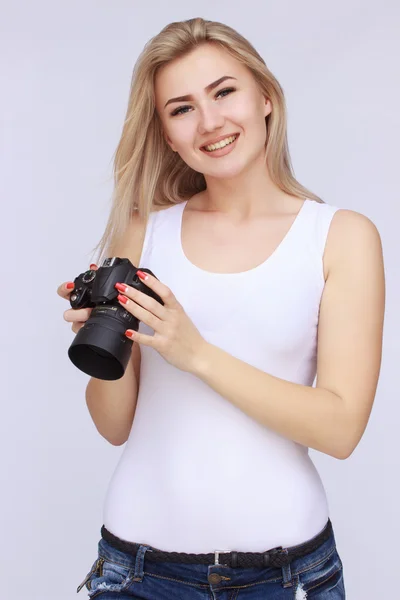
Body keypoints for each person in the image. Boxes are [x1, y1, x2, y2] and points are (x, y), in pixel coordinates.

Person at [57, 17, 385, 600]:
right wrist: (102, 338)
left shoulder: (340, 237)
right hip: (136, 572)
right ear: (166, 134)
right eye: (181, 109)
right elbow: (113, 426)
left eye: (224, 91)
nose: (210, 122)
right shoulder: (144, 232)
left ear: (265, 97)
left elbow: (340, 429)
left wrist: (196, 354)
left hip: (285, 578)